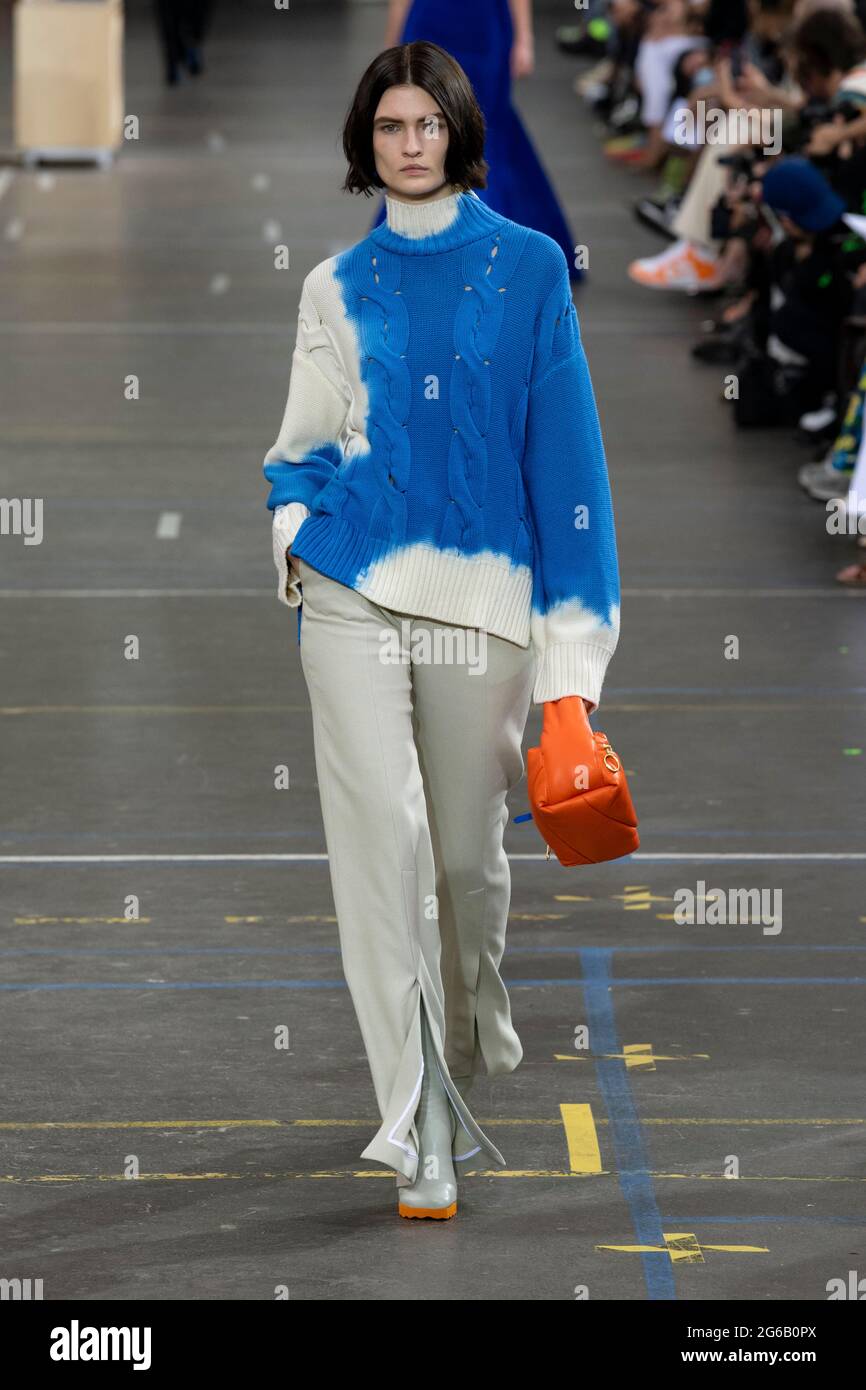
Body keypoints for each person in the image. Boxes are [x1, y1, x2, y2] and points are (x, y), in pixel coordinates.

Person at [262, 41, 621, 1220]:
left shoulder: (526, 272)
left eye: (425, 124)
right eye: (386, 128)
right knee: (385, 859)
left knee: (465, 862)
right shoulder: (331, 285)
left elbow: (567, 474)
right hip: (353, 590)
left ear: (457, 133)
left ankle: (464, 1029)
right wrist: (296, 537)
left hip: (485, 608)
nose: (406, 144)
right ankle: (417, 1119)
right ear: (365, 146)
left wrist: (571, 669)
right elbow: (302, 446)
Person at [375, 0, 582, 281]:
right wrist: (392, 47)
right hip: (435, 25)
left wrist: (524, 37)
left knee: (484, 128)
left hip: (482, 28)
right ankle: (436, 243)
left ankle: (471, 247)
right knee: (428, 127)